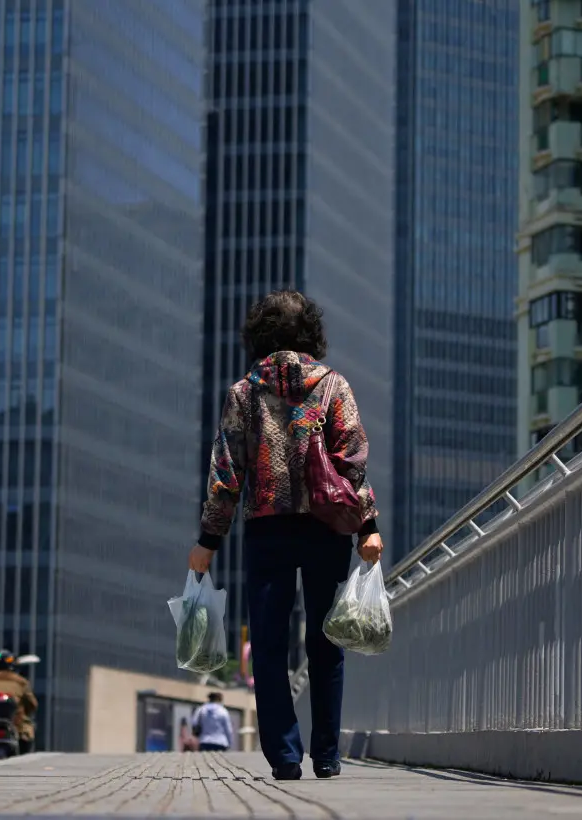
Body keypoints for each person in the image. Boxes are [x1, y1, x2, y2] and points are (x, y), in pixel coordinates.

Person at [189, 290, 383, 782]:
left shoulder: (244, 392)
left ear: (259, 334)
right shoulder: (333, 385)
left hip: (266, 529)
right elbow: (353, 460)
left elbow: (226, 473)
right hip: (325, 526)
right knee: (326, 642)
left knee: (271, 646)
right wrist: (368, 525)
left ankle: (284, 755)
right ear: (310, 333)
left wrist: (209, 540)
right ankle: (327, 755)